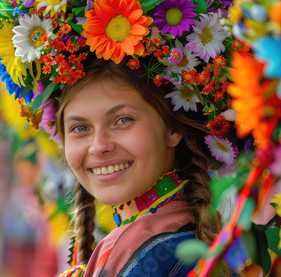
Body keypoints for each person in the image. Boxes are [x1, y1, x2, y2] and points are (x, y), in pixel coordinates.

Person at [55, 56, 225, 276]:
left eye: (123, 120)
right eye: (79, 128)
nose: (98, 147)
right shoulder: (191, 234)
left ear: (172, 129)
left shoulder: (142, 251)